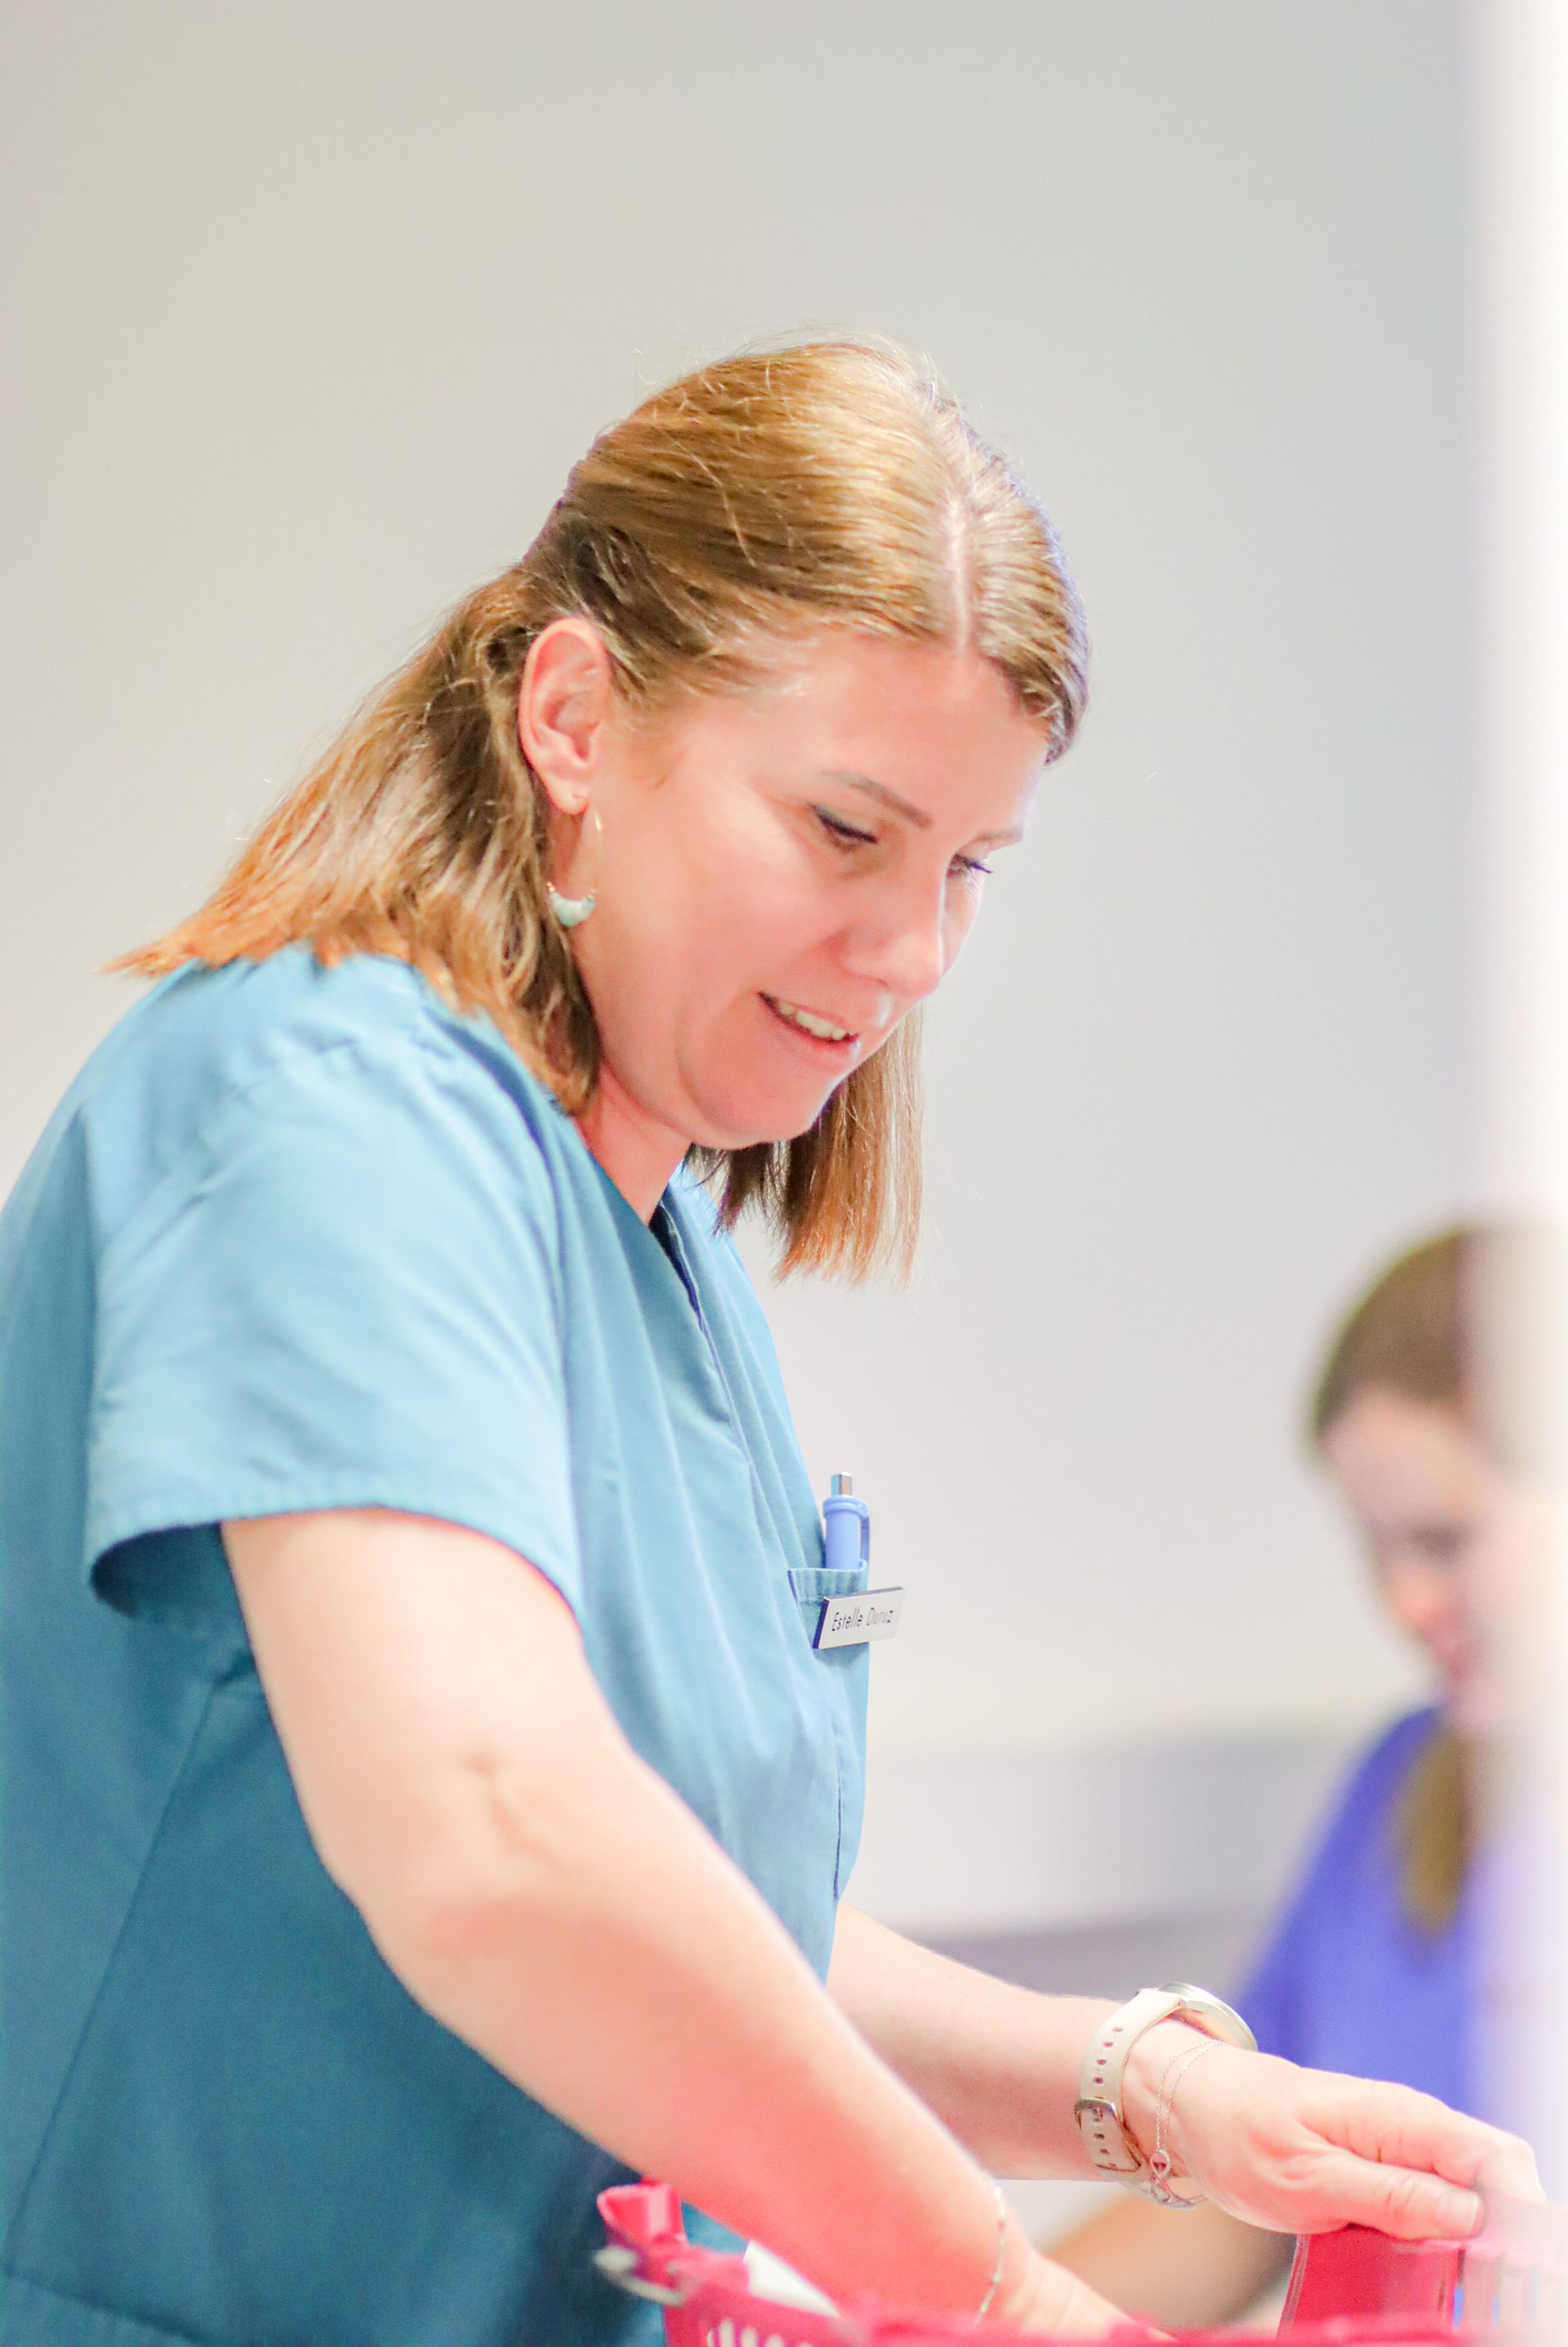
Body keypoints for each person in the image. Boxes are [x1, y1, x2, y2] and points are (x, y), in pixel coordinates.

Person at [0, 344, 1531, 2347]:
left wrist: (1141, 2092)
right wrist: (997, 2296)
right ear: (574, 717)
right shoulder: (320, 1108)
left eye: (964, 868)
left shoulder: (664, 1251)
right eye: (844, 831)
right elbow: (504, 1843)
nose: (911, 956)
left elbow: (704, 1926)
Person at [1049, 1225, 1548, 2328]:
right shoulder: (1404, 1785)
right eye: (1376, 1548)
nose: (1406, 1603)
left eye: (1445, 1537)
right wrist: (967, 2306)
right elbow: (1245, 2201)